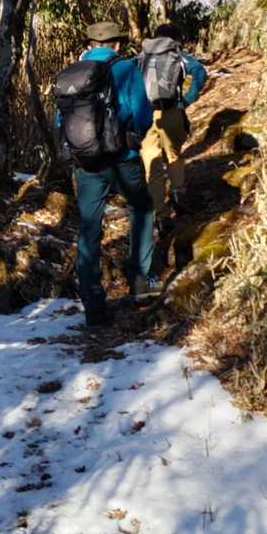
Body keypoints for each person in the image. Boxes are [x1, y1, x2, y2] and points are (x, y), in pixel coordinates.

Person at [57, 21, 158, 329]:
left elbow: (61, 120)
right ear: (117, 44)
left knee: (89, 227)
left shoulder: (71, 73)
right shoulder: (126, 68)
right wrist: (132, 137)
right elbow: (142, 114)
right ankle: (140, 281)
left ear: (90, 44)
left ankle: (92, 304)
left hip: (86, 164)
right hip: (123, 158)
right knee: (142, 208)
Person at [138, 22, 207, 219]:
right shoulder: (177, 54)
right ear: (175, 39)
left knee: (152, 164)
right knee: (173, 156)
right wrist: (189, 98)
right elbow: (200, 71)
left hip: (146, 115)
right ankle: (178, 196)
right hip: (172, 111)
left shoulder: (141, 57)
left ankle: (159, 214)